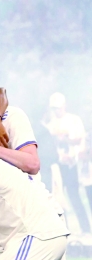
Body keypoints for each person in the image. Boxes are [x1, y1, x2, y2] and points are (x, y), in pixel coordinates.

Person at [43, 92, 88, 234]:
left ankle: (86, 228)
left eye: (58, 107)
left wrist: (64, 139)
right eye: (54, 108)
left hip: (72, 164)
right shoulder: (50, 124)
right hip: (57, 165)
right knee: (58, 198)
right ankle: (64, 229)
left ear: (64, 106)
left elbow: (79, 139)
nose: (56, 111)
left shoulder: (74, 120)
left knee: (74, 195)